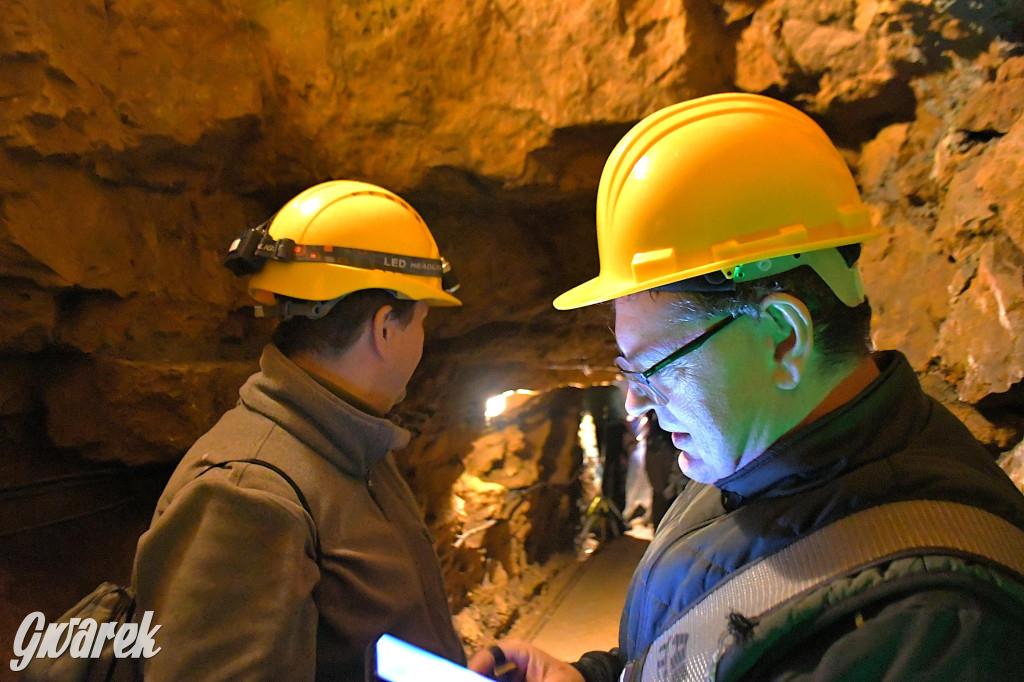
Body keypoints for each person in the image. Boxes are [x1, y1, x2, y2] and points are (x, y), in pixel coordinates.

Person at [469, 93, 1024, 680]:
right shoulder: (751, 459)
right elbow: (693, 646)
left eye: (655, 366)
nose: (635, 400)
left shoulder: (936, 634)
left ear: (783, 338)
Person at [131, 180, 465, 680]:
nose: (422, 339)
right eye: (420, 320)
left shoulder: (354, 450)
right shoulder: (247, 496)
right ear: (385, 330)